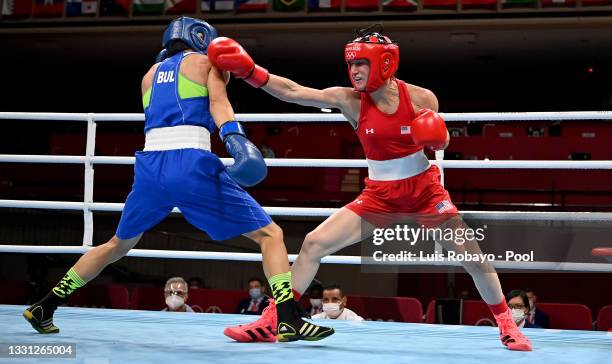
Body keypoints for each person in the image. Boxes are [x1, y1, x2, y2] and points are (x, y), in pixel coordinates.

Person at [209, 24, 531, 351]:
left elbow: (444, 140)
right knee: (313, 243)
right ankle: (277, 318)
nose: (354, 71)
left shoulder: (421, 97)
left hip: (425, 193)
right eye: (351, 64)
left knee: (473, 258)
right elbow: (294, 91)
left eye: (361, 63)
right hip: (379, 196)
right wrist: (250, 72)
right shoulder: (350, 101)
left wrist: (438, 137)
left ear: (384, 62)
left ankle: (507, 326)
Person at [22, 16, 333, 343]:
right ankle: (287, 319)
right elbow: (219, 105)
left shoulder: (148, 76)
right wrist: (237, 142)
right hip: (190, 163)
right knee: (271, 234)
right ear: (203, 39)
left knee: (116, 245)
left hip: (149, 167)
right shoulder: (207, 63)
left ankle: (46, 304)